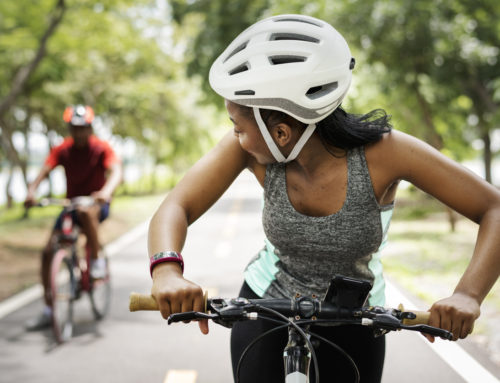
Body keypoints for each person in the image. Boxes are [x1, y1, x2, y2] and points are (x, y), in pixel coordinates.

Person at [148, 14, 500, 382]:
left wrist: (468, 295)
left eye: (238, 128)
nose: (234, 137)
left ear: (281, 133)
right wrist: (167, 270)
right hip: (267, 307)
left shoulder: (386, 154)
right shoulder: (251, 151)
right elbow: (177, 206)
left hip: (354, 315)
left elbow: (493, 208)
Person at [24, 104, 122, 331]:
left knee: (86, 212)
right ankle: (49, 310)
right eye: (74, 128)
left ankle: (96, 262)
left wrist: (105, 192)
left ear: (90, 128)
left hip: (96, 205)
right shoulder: (63, 150)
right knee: (48, 251)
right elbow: (44, 171)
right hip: (70, 205)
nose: (79, 133)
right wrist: (31, 191)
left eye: (83, 128)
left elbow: (117, 171)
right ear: (69, 129)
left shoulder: (101, 148)